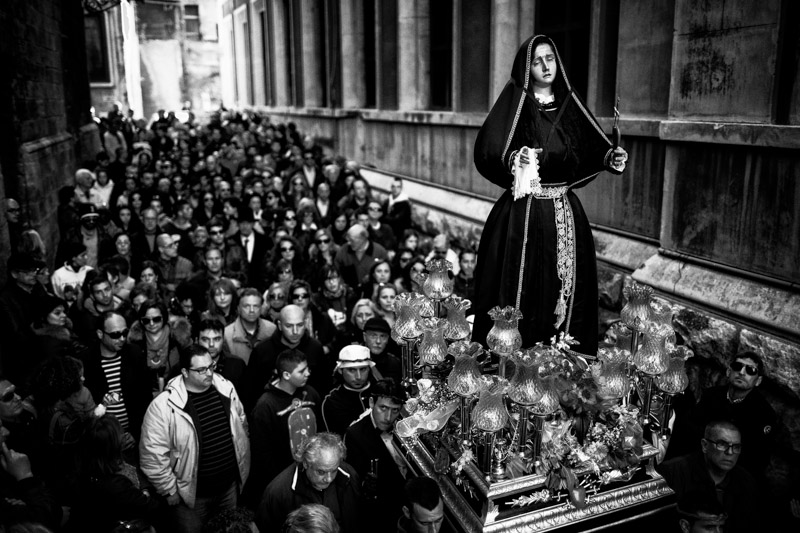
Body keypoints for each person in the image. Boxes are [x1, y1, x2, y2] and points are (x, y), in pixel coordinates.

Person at [472, 34, 628, 356]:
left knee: (564, 286)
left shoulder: (569, 106)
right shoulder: (516, 106)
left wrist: (610, 158)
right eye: (537, 61)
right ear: (526, 68)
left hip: (564, 212)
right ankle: (514, 356)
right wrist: (516, 159)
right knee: (523, 283)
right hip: (523, 214)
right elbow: (490, 150)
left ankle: (562, 356)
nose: (545, 66)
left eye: (550, 59)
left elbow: (589, 149)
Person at [139, 344, 251, 533]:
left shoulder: (226, 388)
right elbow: (152, 455)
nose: (209, 373)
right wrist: (169, 489)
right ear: (184, 372)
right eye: (201, 370)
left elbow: (242, 422)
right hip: (191, 498)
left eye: (211, 366)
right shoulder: (163, 406)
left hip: (228, 488)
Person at [245, 349, 321, 508]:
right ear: (286, 375)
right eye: (302, 371)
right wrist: (279, 482)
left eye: (307, 368)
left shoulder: (310, 393)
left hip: (312, 474)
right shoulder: (265, 406)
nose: (308, 373)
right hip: (282, 480)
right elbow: (262, 453)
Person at [687, 352, 777, 483]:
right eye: (737, 366)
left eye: (751, 370)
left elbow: (756, 459)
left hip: (732, 477)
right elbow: (691, 431)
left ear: (758, 381)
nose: (741, 372)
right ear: (729, 372)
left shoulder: (763, 414)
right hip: (698, 463)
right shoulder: (711, 396)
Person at [68, 415, 165, 532]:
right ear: (113, 446)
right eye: (121, 435)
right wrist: (145, 491)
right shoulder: (116, 485)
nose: (125, 436)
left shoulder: (82, 469)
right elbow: (152, 507)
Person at [657, 420, 758, 533]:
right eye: (722, 444)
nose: (730, 452)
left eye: (736, 447)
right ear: (705, 445)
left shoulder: (745, 482)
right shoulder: (672, 473)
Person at [256, 432, 361, 533]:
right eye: (321, 472)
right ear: (306, 463)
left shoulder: (349, 475)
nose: (329, 479)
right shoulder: (278, 493)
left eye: (334, 471)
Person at [343, 379, 407, 531]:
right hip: (379, 513)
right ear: (371, 403)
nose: (388, 417)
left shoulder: (406, 426)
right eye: (383, 408)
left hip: (407, 505)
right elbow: (354, 485)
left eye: (395, 410)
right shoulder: (355, 435)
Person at [83, 311, 152, 441]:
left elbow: (145, 396)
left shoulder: (134, 354)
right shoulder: (87, 361)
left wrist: (136, 432)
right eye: (115, 334)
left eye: (125, 333)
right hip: (102, 439)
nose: (122, 338)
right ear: (100, 334)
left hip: (135, 434)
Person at [321, 345, 375, 436]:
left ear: (369, 369)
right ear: (340, 370)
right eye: (352, 370)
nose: (358, 376)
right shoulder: (333, 401)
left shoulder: (380, 392)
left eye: (363, 369)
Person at [223, 288, 276, 365]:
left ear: (261, 308)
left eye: (256, 306)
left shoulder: (272, 329)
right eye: (246, 306)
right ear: (238, 308)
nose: (252, 310)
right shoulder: (227, 334)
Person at [334, 224, 389, 290]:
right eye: (348, 240)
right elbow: (336, 273)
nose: (348, 243)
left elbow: (388, 275)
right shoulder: (342, 251)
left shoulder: (380, 252)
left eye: (351, 240)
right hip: (349, 292)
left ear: (363, 238)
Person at [362, 317, 401, 383]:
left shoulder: (395, 363)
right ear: (364, 337)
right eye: (373, 336)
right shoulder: (355, 360)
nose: (378, 341)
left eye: (383, 336)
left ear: (388, 338)